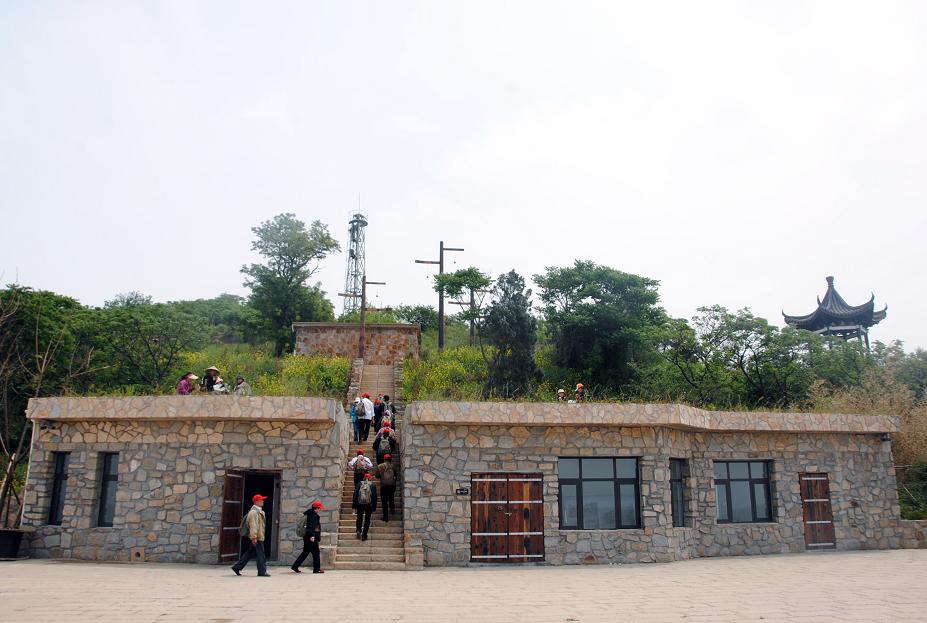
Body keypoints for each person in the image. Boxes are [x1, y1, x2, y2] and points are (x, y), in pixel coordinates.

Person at [231, 493, 270, 577]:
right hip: (257, 537)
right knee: (261, 555)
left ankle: (237, 567)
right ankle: (262, 572)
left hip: (259, 536)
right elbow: (253, 525)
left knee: (250, 553)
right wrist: (254, 537)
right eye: (261, 500)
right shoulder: (253, 512)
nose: (263, 501)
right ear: (256, 501)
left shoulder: (260, 512)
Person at [291, 500, 325, 574]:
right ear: (317, 508)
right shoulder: (313, 515)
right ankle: (316, 569)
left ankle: (295, 566)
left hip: (306, 536)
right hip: (311, 537)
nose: (320, 510)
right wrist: (312, 536)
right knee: (316, 553)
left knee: (305, 552)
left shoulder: (308, 514)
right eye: (319, 508)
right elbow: (311, 526)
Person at [352, 473, 377, 541]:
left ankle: (358, 530)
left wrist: (354, 505)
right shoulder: (372, 485)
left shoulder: (359, 484)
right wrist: (374, 507)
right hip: (369, 505)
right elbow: (374, 497)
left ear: (364, 478)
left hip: (360, 504)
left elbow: (355, 494)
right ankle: (364, 535)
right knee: (367, 520)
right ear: (370, 478)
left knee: (359, 518)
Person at [376, 453, 397, 522]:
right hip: (392, 485)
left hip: (384, 485)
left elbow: (377, 476)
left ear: (384, 459)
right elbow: (396, 475)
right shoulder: (393, 466)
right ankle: (392, 509)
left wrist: (382, 477)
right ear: (390, 459)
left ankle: (385, 517)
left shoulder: (380, 466)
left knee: (384, 501)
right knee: (391, 497)